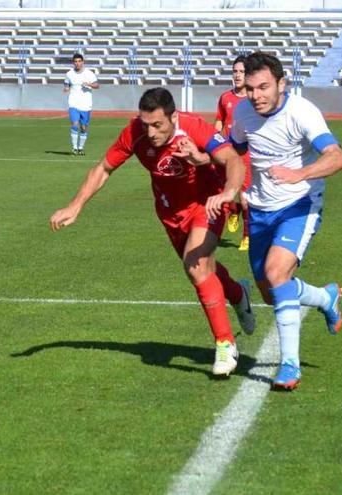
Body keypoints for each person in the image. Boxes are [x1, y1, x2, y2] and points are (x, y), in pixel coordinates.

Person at [50, 87, 255, 377]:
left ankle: (225, 344)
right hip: (170, 212)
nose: (151, 132)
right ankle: (237, 293)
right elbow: (104, 168)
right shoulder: (135, 131)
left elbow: (232, 159)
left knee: (196, 267)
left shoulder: (194, 126)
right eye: (146, 125)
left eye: (158, 125)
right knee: (202, 266)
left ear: (173, 117)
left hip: (206, 203)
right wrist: (75, 206)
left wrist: (229, 192)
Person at [230, 52, 342, 390]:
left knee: (276, 273)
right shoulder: (242, 112)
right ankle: (325, 298)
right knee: (271, 292)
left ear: (282, 83)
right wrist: (232, 185)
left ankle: (290, 366)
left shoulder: (302, 112)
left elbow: (337, 158)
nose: (257, 96)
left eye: (264, 87)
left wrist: (300, 174)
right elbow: (234, 151)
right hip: (260, 207)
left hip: (300, 203)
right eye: (250, 88)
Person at [215, 54, 251, 252]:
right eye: (235, 72)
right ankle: (232, 210)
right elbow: (219, 121)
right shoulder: (225, 98)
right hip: (226, 153)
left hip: (246, 153)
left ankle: (247, 237)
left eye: (242, 72)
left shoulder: (254, 100)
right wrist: (215, 139)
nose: (237, 76)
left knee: (246, 199)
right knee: (224, 194)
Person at [63, 53, 98, 156]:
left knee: (83, 127)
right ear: (73, 63)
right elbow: (66, 83)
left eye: (79, 61)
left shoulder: (89, 74)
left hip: (86, 104)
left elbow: (97, 85)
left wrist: (89, 84)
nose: (77, 63)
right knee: (75, 124)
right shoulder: (69, 73)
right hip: (73, 103)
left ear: (83, 62)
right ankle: (74, 148)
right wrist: (66, 88)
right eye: (75, 61)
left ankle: (80, 148)